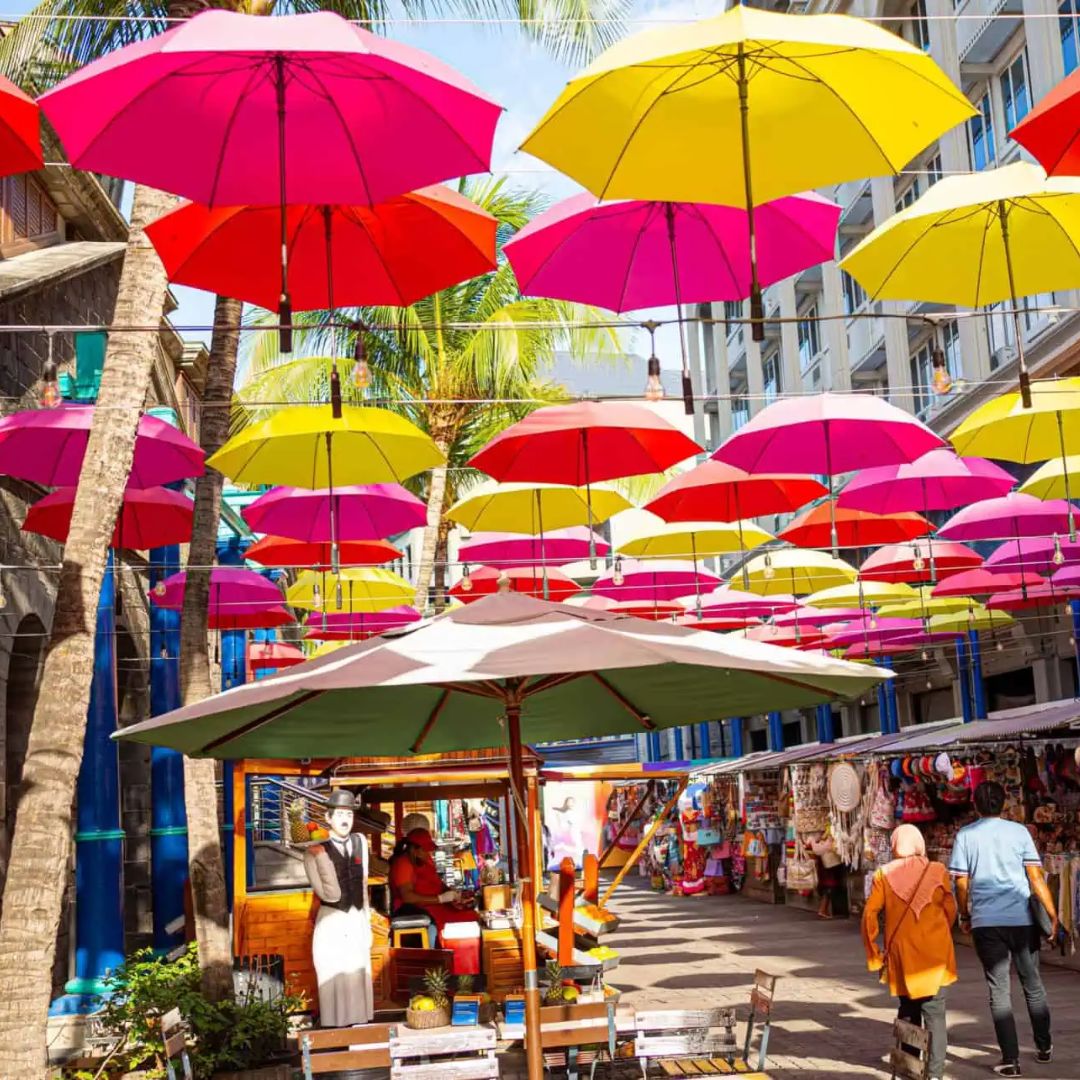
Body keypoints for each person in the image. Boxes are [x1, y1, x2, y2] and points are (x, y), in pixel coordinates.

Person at [950, 780, 1058, 1077]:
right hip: (1022, 919)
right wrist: (1052, 914)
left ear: (975, 805)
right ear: (1004, 804)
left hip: (986, 922)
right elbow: (1035, 879)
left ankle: (1010, 1060)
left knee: (999, 992)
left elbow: (961, 882)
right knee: (1033, 984)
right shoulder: (1019, 832)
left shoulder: (965, 836)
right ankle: (1044, 1046)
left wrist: (964, 913)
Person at [862, 823, 957, 1080]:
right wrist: (940, 930)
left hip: (903, 954)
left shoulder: (884, 874)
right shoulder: (937, 870)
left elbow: (869, 913)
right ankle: (935, 1073)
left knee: (908, 1009)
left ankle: (909, 1068)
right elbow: (950, 909)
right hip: (936, 953)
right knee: (935, 1013)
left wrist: (873, 953)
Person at [302, 789, 374, 1027]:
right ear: (328, 817)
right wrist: (321, 858)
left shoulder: (360, 842)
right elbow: (329, 893)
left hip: (355, 916)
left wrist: (367, 920)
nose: (345, 819)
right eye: (340, 814)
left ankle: (359, 1025)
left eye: (349, 814)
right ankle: (336, 1027)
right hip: (332, 919)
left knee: (357, 969)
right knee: (335, 971)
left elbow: (362, 882)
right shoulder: (313, 852)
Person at [389, 827, 480, 946]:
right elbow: (408, 897)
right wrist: (441, 898)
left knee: (473, 915)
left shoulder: (424, 859)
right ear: (414, 850)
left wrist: (453, 895)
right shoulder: (403, 864)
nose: (429, 853)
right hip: (420, 909)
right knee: (468, 918)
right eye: (425, 850)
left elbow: (437, 883)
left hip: (437, 905)